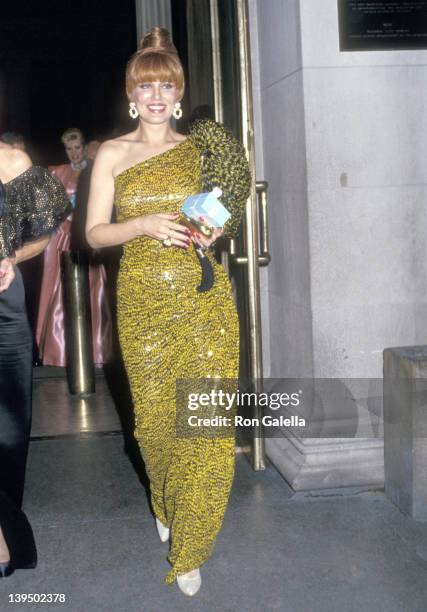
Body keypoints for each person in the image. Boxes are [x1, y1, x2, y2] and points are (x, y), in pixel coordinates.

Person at [86, 27, 250, 596]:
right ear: (131, 95)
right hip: (142, 303)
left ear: (178, 94)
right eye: (145, 85)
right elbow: (94, 233)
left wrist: (213, 229)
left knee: (204, 425)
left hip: (203, 300)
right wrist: (142, 224)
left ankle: (191, 546)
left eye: (166, 85)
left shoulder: (200, 149)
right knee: (156, 427)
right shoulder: (111, 153)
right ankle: (167, 500)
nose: (156, 95)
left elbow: (221, 212)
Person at [0, 142, 70, 577]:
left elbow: (42, 233)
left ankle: (7, 531)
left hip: (3, 303)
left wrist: (10, 257)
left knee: (9, 427)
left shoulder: (14, 162)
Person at [36, 128, 112, 367]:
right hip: (65, 240)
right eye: (69, 149)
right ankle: (63, 353)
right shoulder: (57, 172)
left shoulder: (95, 170)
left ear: (84, 146)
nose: (74, 153)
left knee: (95, 292)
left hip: (88, 239)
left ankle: (97, 352)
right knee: (62, 296)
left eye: (77, 147)